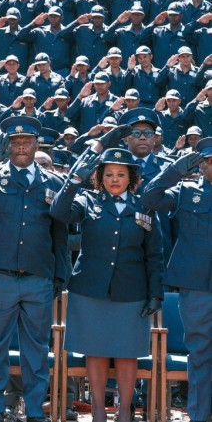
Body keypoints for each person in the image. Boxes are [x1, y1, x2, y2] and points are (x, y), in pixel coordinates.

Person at [0, 116, 70, 422]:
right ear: (7, 146)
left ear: (36, 145)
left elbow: (59, 234)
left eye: (26, 142)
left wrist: (60, 274)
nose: (21, 148)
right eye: (15, 143)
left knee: (37, 350)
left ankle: (34, 410)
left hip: (37, 277)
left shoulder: (53, 182)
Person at [51, 147, 164, 422]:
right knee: (96, 350)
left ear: (132, 178)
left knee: (128, 353)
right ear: (100, 177)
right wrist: (74, 179)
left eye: (121, 174)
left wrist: (155, 294)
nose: (115, 179)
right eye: (109, 174)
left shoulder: (144, 207)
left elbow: (155, 254)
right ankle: (99, 409)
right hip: (91, 291)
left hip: (132, 291)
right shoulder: (87, 200)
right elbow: (58, 211)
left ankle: (125, 410)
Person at [141, 140, 212, 422]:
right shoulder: (186, 191)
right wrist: (174, 170)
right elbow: (148, 199)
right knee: (201, 355)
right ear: (202, 164)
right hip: (197, 288)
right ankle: (200, 416)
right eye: (211, 161)